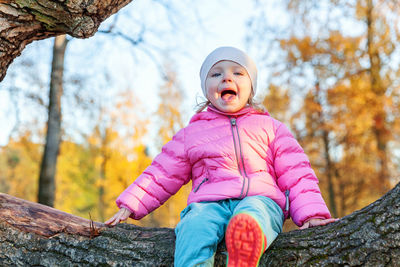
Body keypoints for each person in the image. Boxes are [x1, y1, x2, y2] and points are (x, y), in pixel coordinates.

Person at [105, 46, 337, 267]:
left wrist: (312, 214)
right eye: (216, 74)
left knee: (254, 215)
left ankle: (245, 247)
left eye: (237, 72)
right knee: (193, 227)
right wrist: (131, 203)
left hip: (261, 198)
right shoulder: (191, 134)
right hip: (208, 203)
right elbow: (162, 173)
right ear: (206, 89)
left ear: (251, 87)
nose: (226, 78)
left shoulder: (271, 128)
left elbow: (297, 173)